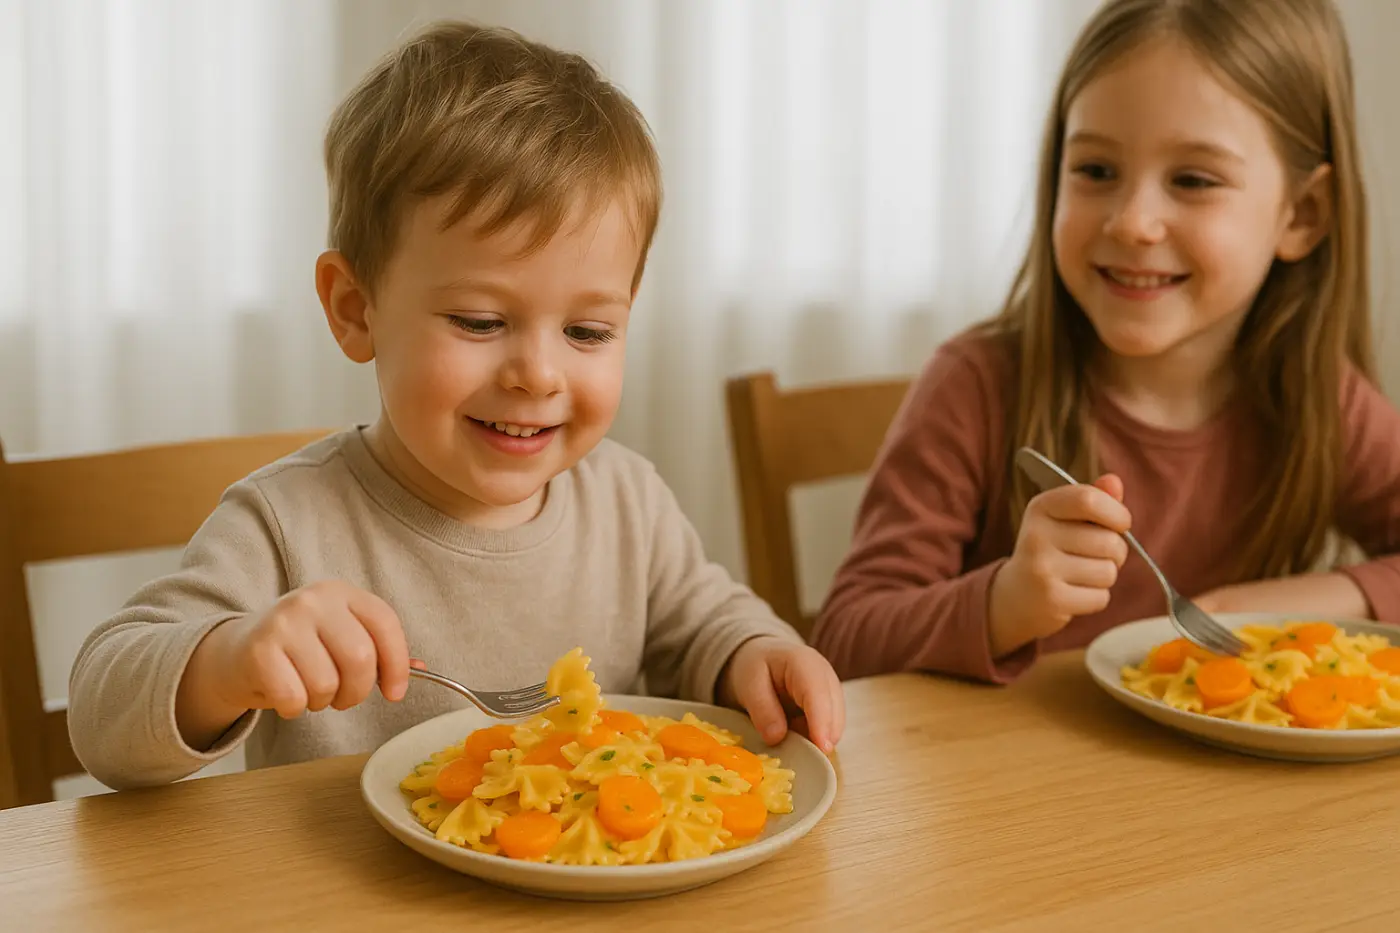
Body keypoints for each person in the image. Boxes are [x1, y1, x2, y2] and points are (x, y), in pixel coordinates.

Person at [68, 21, 844, 790]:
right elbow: (103, 714)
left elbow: (707, 628)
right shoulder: (288, 524)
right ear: (355, 308)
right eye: (480, 321)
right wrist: (229, 659)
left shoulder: (629, 503)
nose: (538, 374)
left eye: (587, 330)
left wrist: (756, 656)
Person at [811, 0, 1400, 684]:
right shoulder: (975, 384)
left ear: (1302, 214)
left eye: (1192, 180)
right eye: (1095, 171)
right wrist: (1006, 602)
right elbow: (846, 638)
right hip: (1009, 786)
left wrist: (1285, 600)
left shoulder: (1319, 396)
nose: (1133, 221)